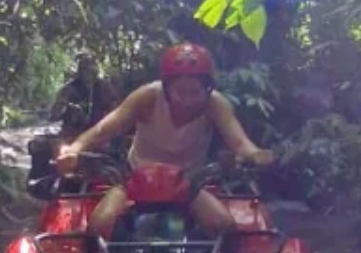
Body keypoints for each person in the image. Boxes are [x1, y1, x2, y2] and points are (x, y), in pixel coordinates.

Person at [55, 43, 274, 238]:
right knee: (100, 225)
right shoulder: (147, 97)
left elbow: (239, 143)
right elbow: (104, 129)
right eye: (180, 92)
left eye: (195, 92)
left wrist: (256, 155)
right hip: (136, 177)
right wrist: (74, 149)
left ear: (207, 90)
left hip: (189, 181)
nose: (187, 100)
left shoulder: (216, 105)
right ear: (167, 89)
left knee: (224, 227)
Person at [49, 50, 118, 141]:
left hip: (97, 133)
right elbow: (54, 115)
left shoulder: (104, 87)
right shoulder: (68, 89)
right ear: (80, 72)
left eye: (91, 71)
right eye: (85, 71)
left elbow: (114, 112)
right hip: (73, 133)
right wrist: (65, 106)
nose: (89, 75)